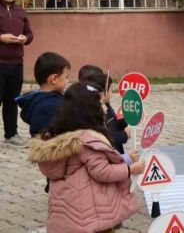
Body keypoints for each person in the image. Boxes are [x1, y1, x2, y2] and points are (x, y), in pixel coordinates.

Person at [27, 83, 145, 233]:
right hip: (92, 216)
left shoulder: (60, 136)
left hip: (66, 215)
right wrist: (129, 169)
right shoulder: (89, 142)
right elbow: (102, 171)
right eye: (101, 104)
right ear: (90, 111)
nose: (106, 108)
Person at [0, 0, 34, 147]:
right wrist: (1, 38)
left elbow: (30, 34)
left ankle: (11, 134)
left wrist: (24, 38)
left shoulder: (21, 11)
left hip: (16, 63)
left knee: (12, 101)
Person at [79, 67, 132, 159]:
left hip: (116, 153)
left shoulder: (106, 105)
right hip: (107, 156)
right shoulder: (91, 112)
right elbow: (104, 137)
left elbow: (112, 124)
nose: (112, 93)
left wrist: (124, 121)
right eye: (111, 89)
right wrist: (124, 135)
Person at [16, 52, 71, 137]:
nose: (68, 81)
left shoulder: (41, 100)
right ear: (54, 79)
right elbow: (46, 139)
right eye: (66, 77)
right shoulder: (47, 107)